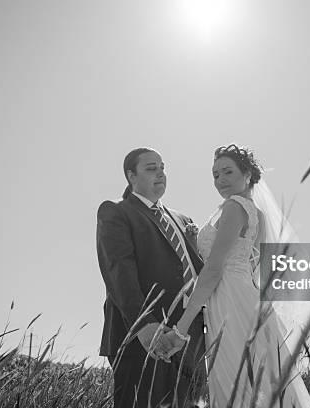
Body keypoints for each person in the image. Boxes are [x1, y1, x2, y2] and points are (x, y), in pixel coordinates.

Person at [155, 144, 310, 407]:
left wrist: (181, 329)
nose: (220, 180)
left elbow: (215, 269)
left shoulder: (232, 207)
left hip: (229, 302)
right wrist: (198, 240)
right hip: (246, 299)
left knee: (234, 384)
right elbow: (246, 263)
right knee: (258, 383)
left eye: (228, 172)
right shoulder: (257, 214)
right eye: (216, 175)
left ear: (248, 174)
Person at [96, 147, 206, 407]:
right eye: (151, 168)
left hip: (190, 340)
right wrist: (144, 325)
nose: (160, 173)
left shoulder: (182, 220)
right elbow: (118, 270)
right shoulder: (116, 211)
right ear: (131, 176)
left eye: (163, 167)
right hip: (142, 339)